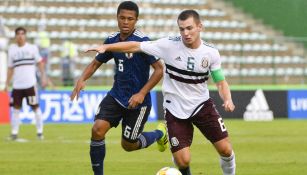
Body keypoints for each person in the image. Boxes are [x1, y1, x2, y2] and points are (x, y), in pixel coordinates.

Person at [86, 10, 236, 175]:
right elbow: (135, 46)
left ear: (200, 27)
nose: (185, 33)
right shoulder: (168, 45)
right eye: (181, 29)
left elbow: (220, 81)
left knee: (226, 150)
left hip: (201, 105)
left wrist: (227, 99)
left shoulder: (211, 53)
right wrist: (106, 47)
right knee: (183, 160)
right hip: (174, 109)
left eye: (189, 28)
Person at [70, 1, 167, 175]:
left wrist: (142, 93)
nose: (125, 22)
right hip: (116, 96)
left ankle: (160, 134)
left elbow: (160, 70)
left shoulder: (143, 42)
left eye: (130, 19)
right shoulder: (112, 40)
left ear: (136, 20)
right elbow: (95, 63)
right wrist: (82, 79)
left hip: (138, 103)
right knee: (97, 129)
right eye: (122, 18)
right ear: (117, 18)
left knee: (128, 145)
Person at [5, 27, 47, 140]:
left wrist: (43, 77)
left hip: (30, 84)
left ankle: (39, 132)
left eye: (22, 34)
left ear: (25, 36)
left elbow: (40, 63)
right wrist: (7, 83)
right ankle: (14, 133)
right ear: (15, 36)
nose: (20, 36)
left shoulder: (32, 48)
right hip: (17, 85)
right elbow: (10, 68)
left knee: (35, 108)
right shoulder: (12, 49)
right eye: (18, 34)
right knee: (15, 109)